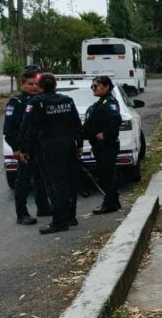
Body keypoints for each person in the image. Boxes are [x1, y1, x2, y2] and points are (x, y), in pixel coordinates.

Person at [18, 73, 83, 234]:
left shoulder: (36, 102)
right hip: (68, 146)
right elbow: (76, 123)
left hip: (47, 148)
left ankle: (59, 221)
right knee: (68, 181)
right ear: (55, 85)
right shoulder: (67, 100)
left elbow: (27, 127)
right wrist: (79, 144)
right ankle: (70, 216)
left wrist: (24, 148)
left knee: (54, 185)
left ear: (40, 86)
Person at [2, 68, 52, 225]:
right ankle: (22, 214)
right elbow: (8, 130)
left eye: (36, 84)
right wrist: (17, 149)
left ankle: (43, 207)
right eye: (30, 84)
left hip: (40, 146)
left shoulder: (40, 100)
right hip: (25, 149)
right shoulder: (16, 103)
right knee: (23, 182)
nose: (34, 87)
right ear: (22, 84)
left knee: (41, 179)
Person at [83, 75, 122, 214]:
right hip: (100, 146)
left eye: (96, 86)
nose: (93, 89)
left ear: (106, 87)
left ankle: (109, 203)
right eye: (92, 86)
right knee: (106, 174)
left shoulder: (109, 102)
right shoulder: (101, 102)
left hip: (107, 146)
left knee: (108, 175)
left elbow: (116, 118)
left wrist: (105, 135)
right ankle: (114, 201)